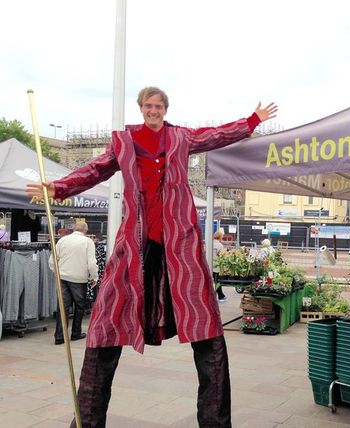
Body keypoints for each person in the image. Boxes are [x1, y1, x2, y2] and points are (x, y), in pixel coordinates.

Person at [26, 86, 277, 428]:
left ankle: (216, 423)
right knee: (105, 325)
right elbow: (95, 169)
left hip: (181, 249)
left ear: (165, 108)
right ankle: (86, 421)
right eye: (148, 105)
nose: (153, 110)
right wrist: (59, 188)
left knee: (207, 330)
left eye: (159, 105)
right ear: (141, 108)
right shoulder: (124, 143)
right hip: (134, 247)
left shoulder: (181, 137)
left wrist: (252, 120)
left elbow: (216, 135)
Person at [49, 221, 98, 345]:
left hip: (63, 277)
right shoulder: (88, 242)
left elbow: (52, 259)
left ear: (74, 229)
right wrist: (94, 277)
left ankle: (59, 336)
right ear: (85, 231)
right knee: (80, 306)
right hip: (79, 279)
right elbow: (91, 263)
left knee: (63, 307)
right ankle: (76, 332)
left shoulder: (63, 240)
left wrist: (57, 272)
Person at [212, 230, 227, 302]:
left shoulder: (209, 243)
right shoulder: (220, 245)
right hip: (216, 266)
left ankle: (220, 295)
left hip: (209, 264)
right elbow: (222, 256)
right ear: (220, 237)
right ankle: (221, 296)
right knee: (217, 281)